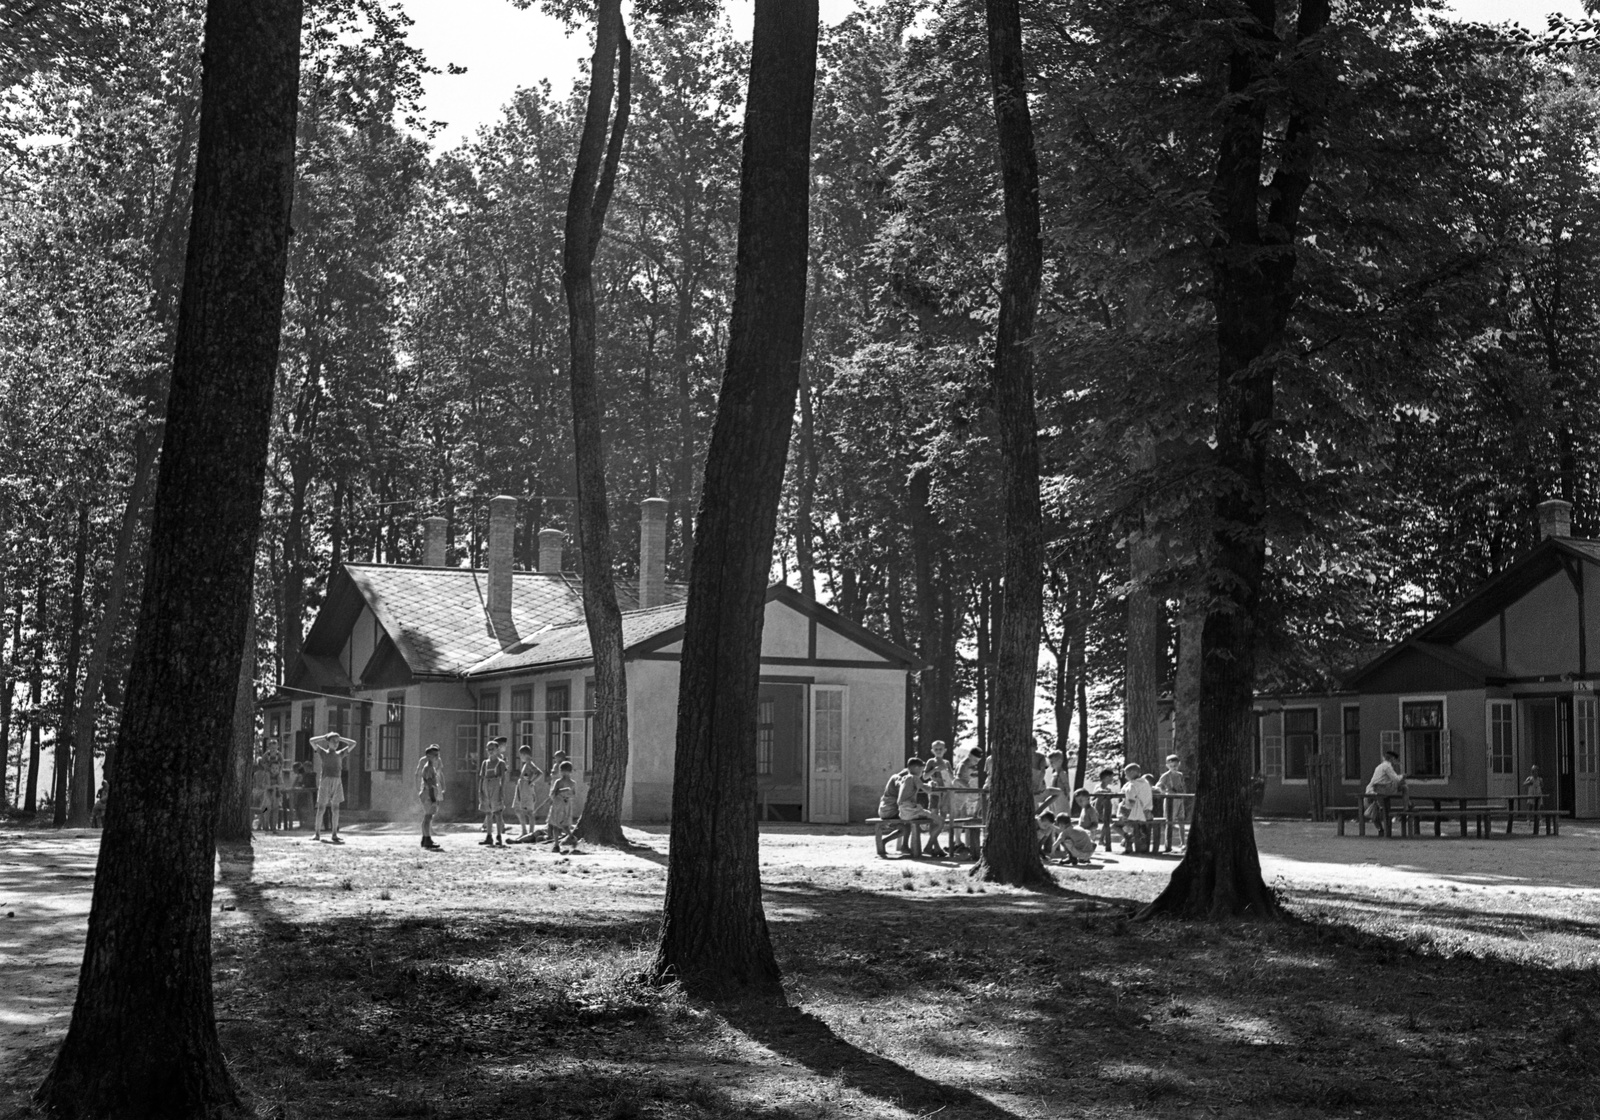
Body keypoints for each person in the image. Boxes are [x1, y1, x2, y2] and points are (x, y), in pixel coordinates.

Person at [895, 757, 947, 857]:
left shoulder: (905, 778)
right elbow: (927, 789)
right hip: (911, 810)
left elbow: (919, 786)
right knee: (940, 821)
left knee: (926, 817)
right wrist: (932, 785)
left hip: (902, 811)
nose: (922, 773)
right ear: (916, 768)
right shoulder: (913, 778)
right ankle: (929, 846)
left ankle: (929, 846)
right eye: (921, 770)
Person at [311, 731, 357, 843]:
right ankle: (317, 833)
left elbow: (353, 743)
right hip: (326, 782)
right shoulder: (323, 753)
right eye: (333, 741)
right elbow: (311, 741)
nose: (336, 743)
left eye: (337, 742)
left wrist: (341, 739)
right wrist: (324, 736)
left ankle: (334, 834)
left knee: (335, 809)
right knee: (321, 808)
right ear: (328, 742)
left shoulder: (340, 753)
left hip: (337, 781)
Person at [479, 736, 510, 847]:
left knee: (497, 812)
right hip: (486, 786)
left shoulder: (500, 763)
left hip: (496, 785)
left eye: (493, 749)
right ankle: (488, 836)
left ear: (497, 750)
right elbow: (482, 778)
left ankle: (498, 836)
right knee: (488, 812)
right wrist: (480, 791)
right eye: (489, 749)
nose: (490, 751)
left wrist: (501, 791)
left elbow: (503, 778)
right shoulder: (485, 763)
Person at [1365, 748, 1406, 832]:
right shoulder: (1387, 766)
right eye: (1395, 759)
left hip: (1370, 790)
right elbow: (1396, 779)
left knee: (1374, 810)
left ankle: (1380, 829)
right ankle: (1407, 806)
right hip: (1379, 791)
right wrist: (1403, 776)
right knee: (1404, 787)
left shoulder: (1379, 766)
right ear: (1392, 759)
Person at [1154, 754, 1188, 851]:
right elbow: (1157, 787)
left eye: (1176, 766)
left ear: (1179, 764)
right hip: (1170, 801)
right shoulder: (1165, 776)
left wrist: (1183, 792)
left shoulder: (1180, 775)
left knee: (1182, 821)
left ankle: (1183, 843)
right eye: (1172, 766)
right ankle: (1168, 844)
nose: (1174, 768)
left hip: (1180, 799)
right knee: (1169, 822)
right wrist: (1166, 792)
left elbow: (1183, 786)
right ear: (1167, 766)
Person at [510, 745, 544, 842]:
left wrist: (532, 782)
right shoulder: (526, 765)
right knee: (517, 809)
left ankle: (531, 833)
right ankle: (524, 831)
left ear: (525, 755)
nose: (520, 757)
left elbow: (539, 773)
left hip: (527, 791)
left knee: (529, 812)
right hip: (521, 790)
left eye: (521, 755)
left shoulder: (529, 764)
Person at [1057, 788, 1100, 865]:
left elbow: (1095, 824)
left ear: (1088, 798)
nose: (1079, 803)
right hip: (1080, 833)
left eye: (1081, 800)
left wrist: (1085, 830)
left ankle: (1075, 857)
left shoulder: (1091, 810)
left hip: (1088, 833)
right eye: (1077, 801)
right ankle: (1076, 857)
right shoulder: (1084, 809)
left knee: (1065, 839)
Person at [1118, 762, 1153, 854]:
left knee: (1115, 825)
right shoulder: (1145, 783)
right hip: (1147, 812)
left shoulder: (1132, 785)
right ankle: (1128, 840)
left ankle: (1128, 838)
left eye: (1126, 774)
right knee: (1130, 824)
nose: (1125, 776)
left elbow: (1130, 801)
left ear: (1132, 772)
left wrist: (1124, 808)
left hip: (1136, 813)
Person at [416, 743, 444, 850]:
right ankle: (427, 838)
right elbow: (429, 785)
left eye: (438, 755)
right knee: (428, 817)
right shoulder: (428, 768)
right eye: (435, 755)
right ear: (428, 756)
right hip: (428, 795)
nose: (437, 757)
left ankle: (425, 838)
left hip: (428, 794)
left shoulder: (431, 767)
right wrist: (433, 799)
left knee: (427, 817)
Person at [547, 760, 579, 851]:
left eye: (566, 771)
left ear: (570, 772)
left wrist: (566, 796)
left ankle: (570, 838)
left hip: (563, 805)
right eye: (563, 771)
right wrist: (561, 791)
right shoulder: (558, 782)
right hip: (559, 804)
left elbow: (573, 795)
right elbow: (553, 793)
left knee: (562, 825)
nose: (564, 773)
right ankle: (557, 844)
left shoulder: (572, 783)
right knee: (556, 825)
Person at [290, 762, 314, 830]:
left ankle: (304, 824)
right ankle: (301, 824)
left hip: (302, 795)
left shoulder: (301, 775)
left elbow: (298, 784)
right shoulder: (299, 775)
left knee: (302, 808)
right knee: (298, 808)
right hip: (297, 794)